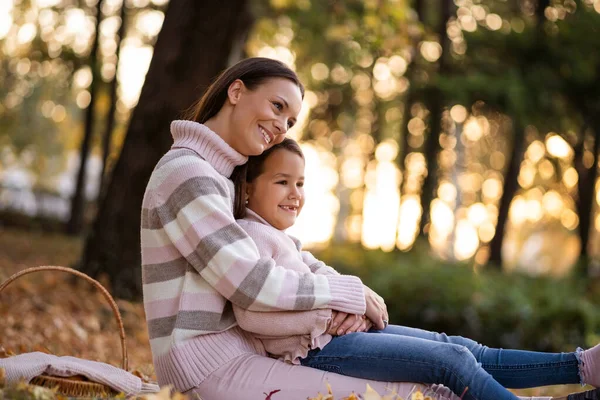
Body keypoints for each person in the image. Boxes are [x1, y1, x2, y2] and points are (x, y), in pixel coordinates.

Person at [140, 56, 599, 400]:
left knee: (441, 363)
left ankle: (581, 368)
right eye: (276, 106)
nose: (280, 126)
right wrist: (347, 295)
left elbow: (288, 263)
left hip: (249, 349)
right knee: (413, 391)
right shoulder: (189, 173)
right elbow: (249, 283)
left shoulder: (219, 176)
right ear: (236, 91)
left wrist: (346, 297)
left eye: (290, 119)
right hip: (208, 369)